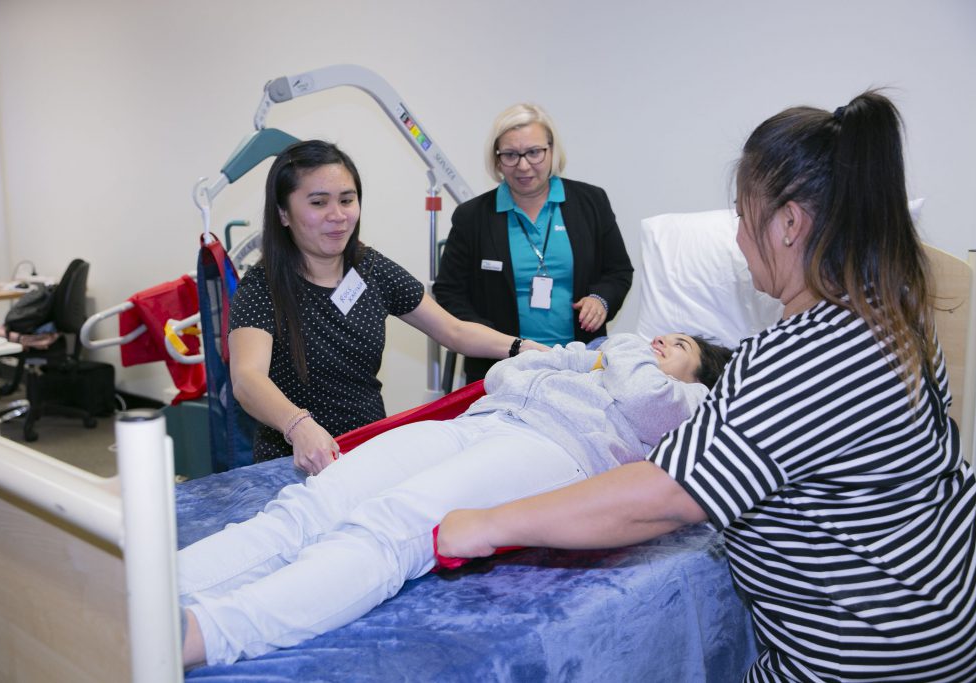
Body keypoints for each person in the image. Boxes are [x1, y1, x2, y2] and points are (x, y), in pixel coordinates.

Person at [439, 91, 976, 681]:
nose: (737, 240)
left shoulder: (802, 357)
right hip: (951, 625)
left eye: (743, 218)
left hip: (865, 661)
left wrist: (489, 523)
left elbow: (663, 498)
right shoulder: (896, 315)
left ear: (789, 224)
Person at [179, 331, 734, 666]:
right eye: (660, 335)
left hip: (550, 448)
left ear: (700, 371)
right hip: (482, 421)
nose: (659, 341)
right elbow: (505, 374)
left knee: (391, 528)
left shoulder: (689, 399)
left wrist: (622, 350)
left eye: (678, 345)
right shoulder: (606, 362)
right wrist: (588, 359)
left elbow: (642, 395)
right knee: (311, 505)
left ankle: (209, 633)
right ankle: (156, 587)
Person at [229, 140, 549, 468]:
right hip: (293, 462)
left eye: (347, 200)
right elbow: (247, 377)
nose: (337, 216)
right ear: (283, 213)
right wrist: (298, 426)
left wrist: (522, 348)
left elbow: (452, 330)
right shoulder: (262, 286)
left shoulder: (370, 267)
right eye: (319, 202)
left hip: (368, 451)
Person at [432, 103, 634, 384]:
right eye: (511, 155)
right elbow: (449, 292)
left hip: (581, 362)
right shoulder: (473, 217)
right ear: (497, 158)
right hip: (501, 368)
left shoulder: (590, 202)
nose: (523, 165)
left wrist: (601, 299)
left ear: (552, 151)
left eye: (534, 153)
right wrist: (492, 339)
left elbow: (619, 271)